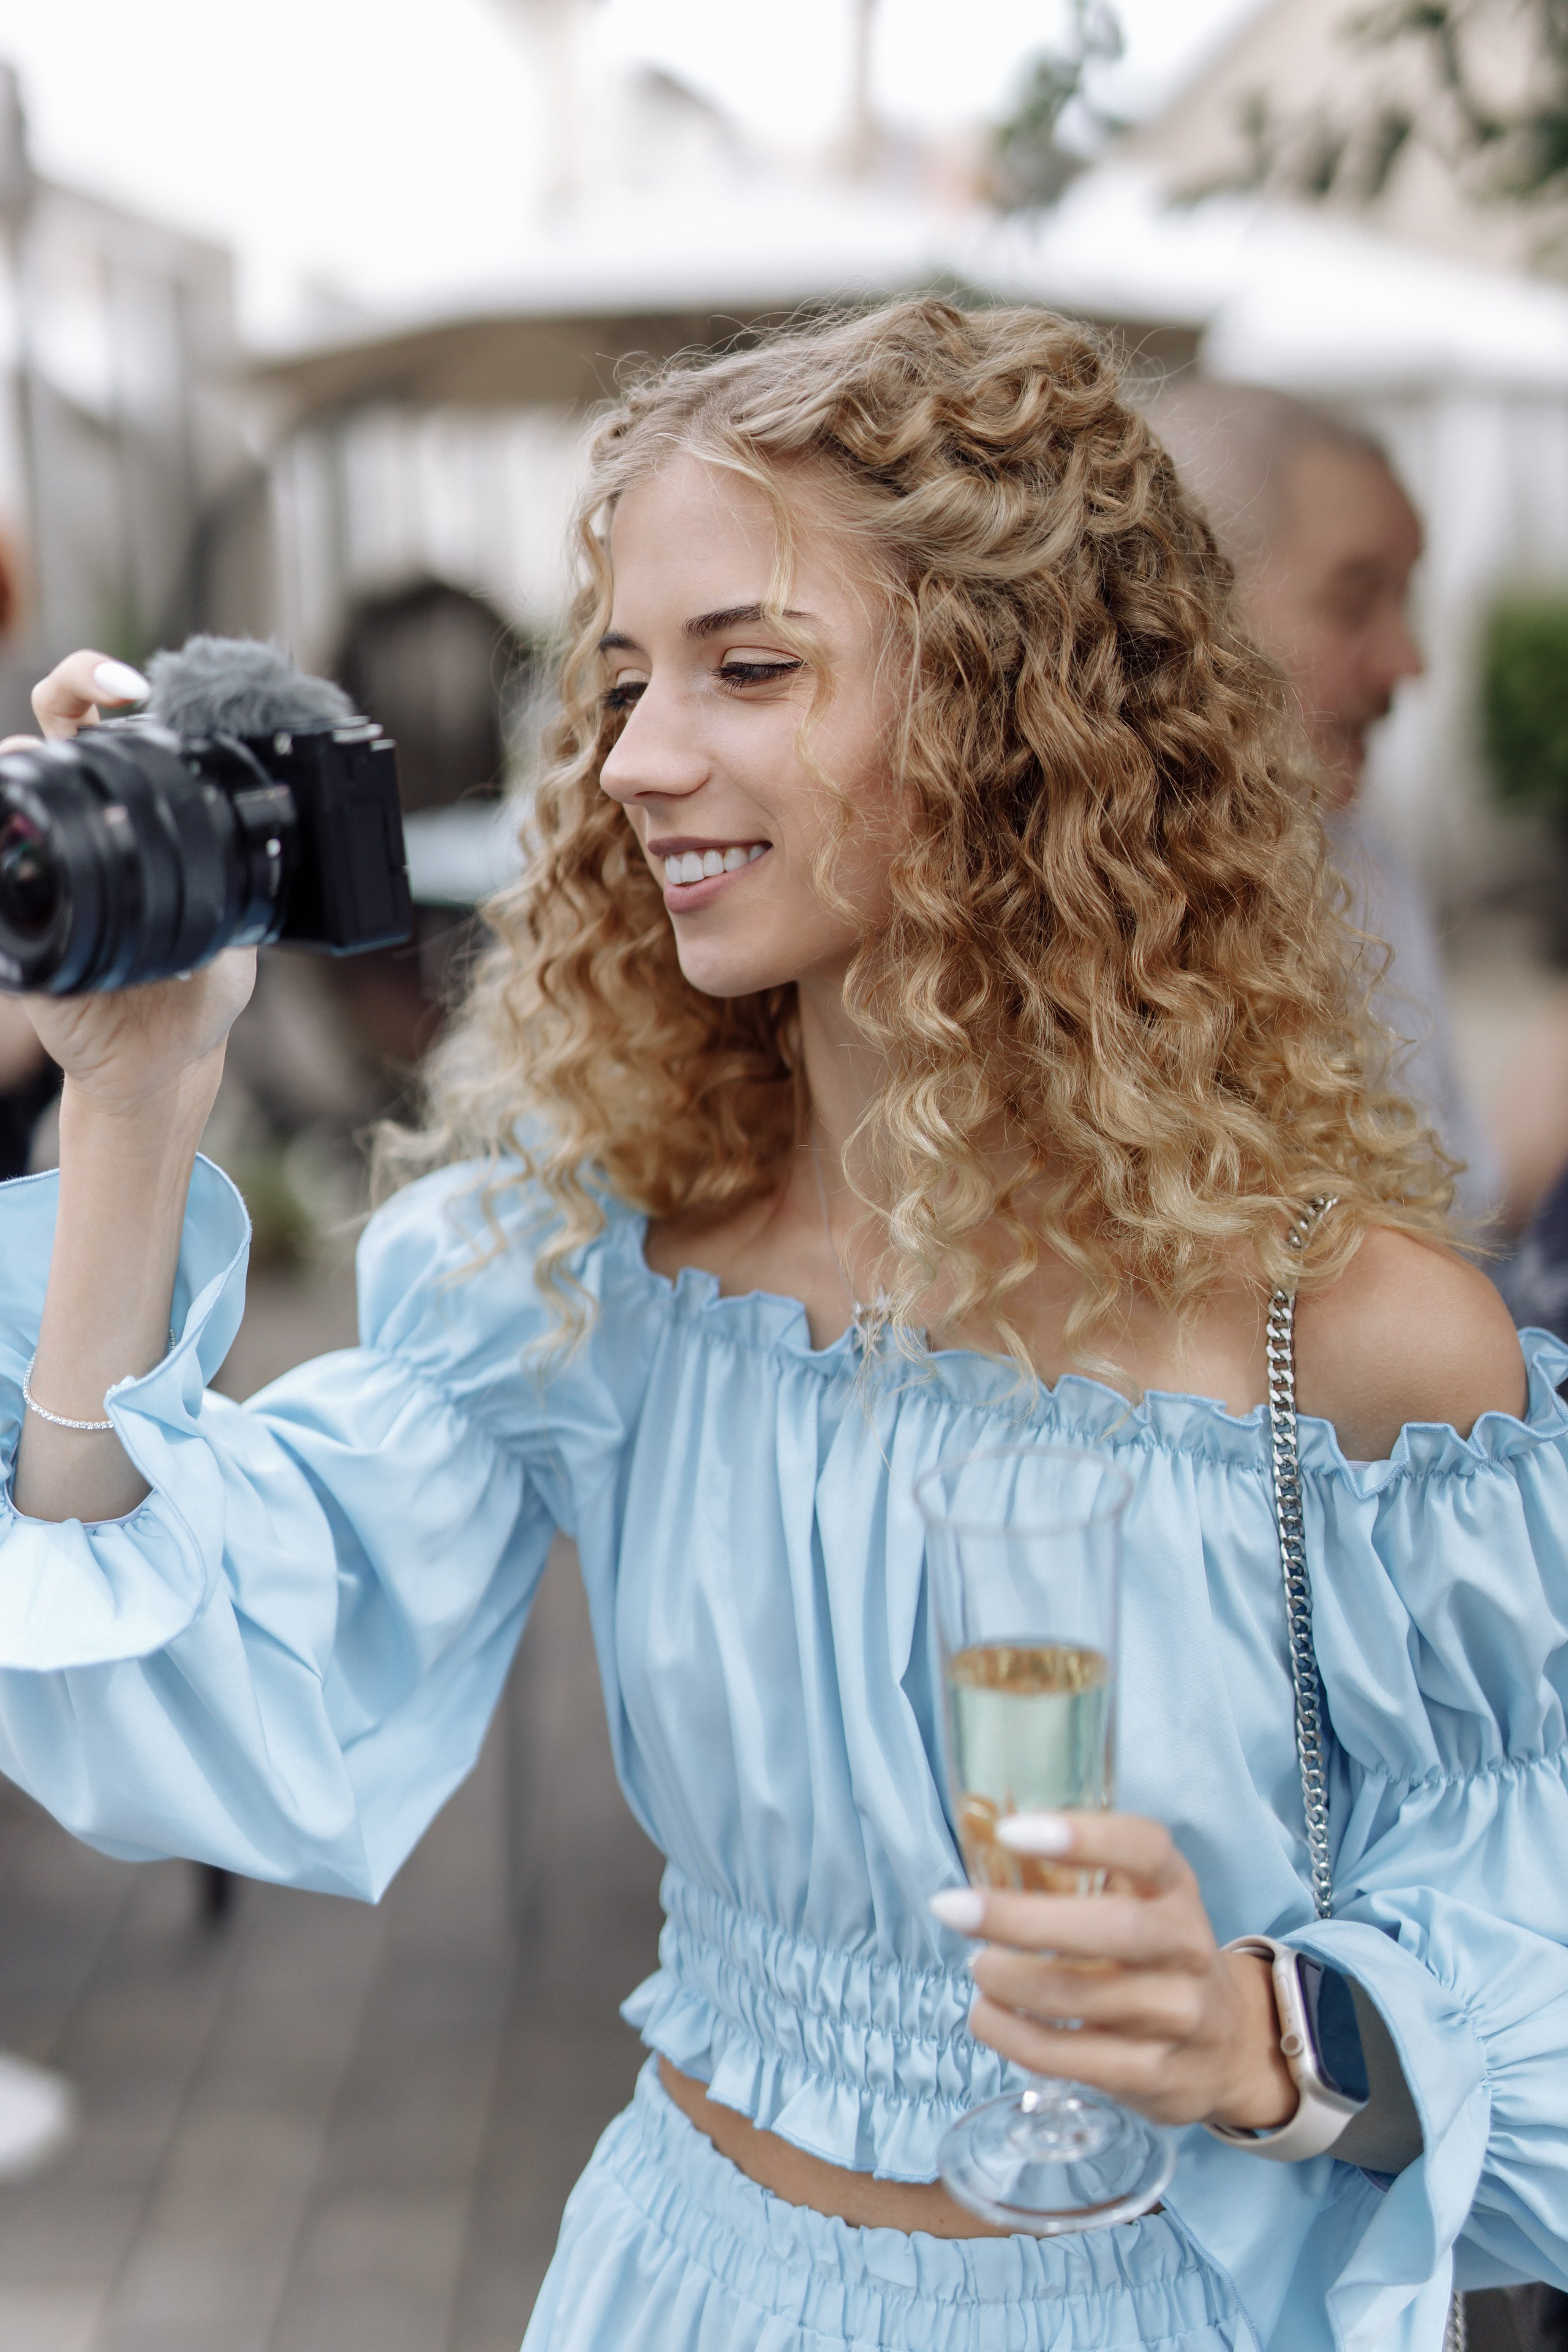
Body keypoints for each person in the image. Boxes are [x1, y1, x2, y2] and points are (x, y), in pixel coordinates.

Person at [0, 301, 1562, 2352]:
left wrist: (1274, 2038)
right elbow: (176, 1658)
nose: (639, 759)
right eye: (628, 679)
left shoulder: (1362, 1348)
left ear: (1015, 717)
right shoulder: (604, 1272)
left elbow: (1525, 1950)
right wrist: (130, 1099)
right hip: (683, 2288)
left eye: (752, 668)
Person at [1145, 380, 1502, 1226]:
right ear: (1189, 611)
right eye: (1354, 602)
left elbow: (1458, 1208)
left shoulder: (1355, 859)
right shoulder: (1066, 918)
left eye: (1404, 599)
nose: (1407, 662)